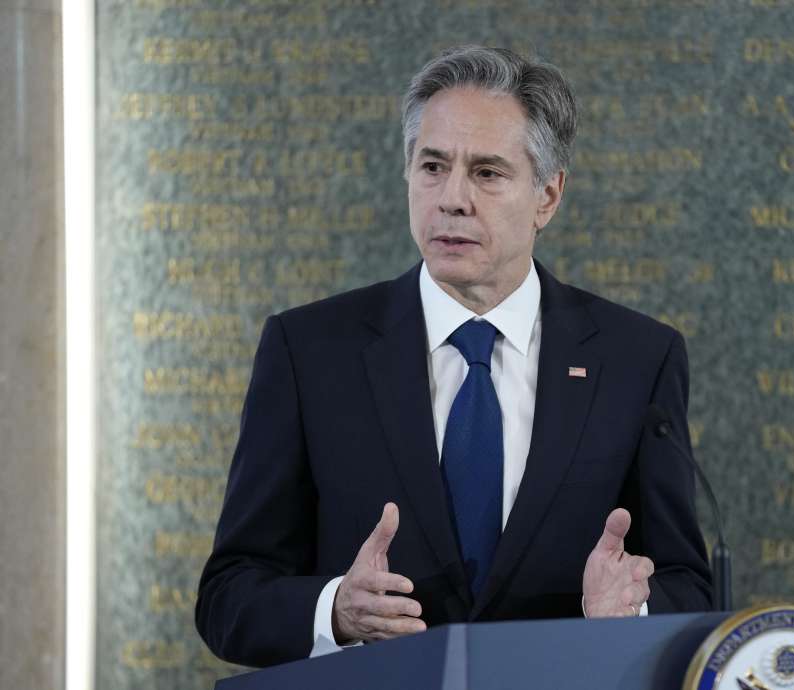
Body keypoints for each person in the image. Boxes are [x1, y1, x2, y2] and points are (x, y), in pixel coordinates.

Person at [195, 45, 713, 668]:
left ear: (548, 195)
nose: (452, 199)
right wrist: (335, 610)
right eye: (433, 166)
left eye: (488, 173)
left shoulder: (637, 359)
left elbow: (689, 586)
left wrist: (628, 611)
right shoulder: (309, 352)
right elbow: (228, 597)